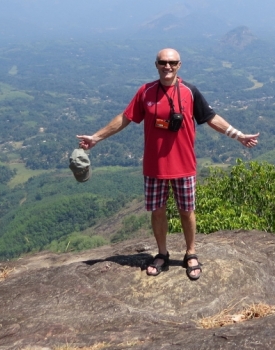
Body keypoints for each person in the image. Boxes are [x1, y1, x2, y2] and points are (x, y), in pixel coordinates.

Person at [76, 48, 259, 280]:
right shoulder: (146, 91)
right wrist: (96, 137)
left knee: (187, 211)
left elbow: (211, 118)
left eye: (172, 62)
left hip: (184, 164)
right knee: (158, 211)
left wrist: (239, 135)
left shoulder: (190, 92)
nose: (167, 66)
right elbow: (125, 118)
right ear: (156, 65)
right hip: (155, 166)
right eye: (163, 62)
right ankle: (162, 253)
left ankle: (191, 253)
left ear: (179, 65)